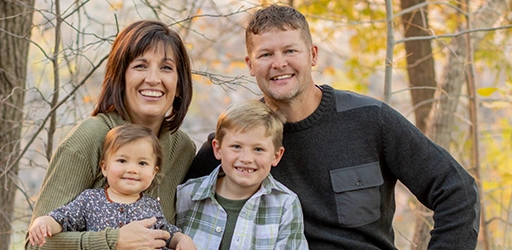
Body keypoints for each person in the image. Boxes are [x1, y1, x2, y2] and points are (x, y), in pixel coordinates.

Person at [185, 5, 480, 249]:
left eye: (290, 51)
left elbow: (457, 190)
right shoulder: (238, 141)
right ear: (250, 65)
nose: (279, 63)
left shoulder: (370, 120)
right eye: (266, 55)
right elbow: (178, 203)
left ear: (312, 55)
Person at [28, 20, 196, 250]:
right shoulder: (90, 136)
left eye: (166, 68)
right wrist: (111, 241)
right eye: (140, 66)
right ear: (120, 76)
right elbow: (36, 244)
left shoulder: (183, 148)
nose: (154, 79)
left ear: (179, 85)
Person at [28, 124, 196, 250]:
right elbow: (63, 219)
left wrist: (182, 239)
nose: (132, 169)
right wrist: (44, 223)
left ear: (154, 172)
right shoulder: (90, 200)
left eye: (142, 163)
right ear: (104, 167)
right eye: (122, 160)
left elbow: (167, 233)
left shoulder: (151, 206)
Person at [176, 100, 308, 250]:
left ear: (276, 156)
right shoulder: (187, 195)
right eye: (236, 147)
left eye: (258, 149)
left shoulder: (285, 205)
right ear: (218, 149)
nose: (246, 158)